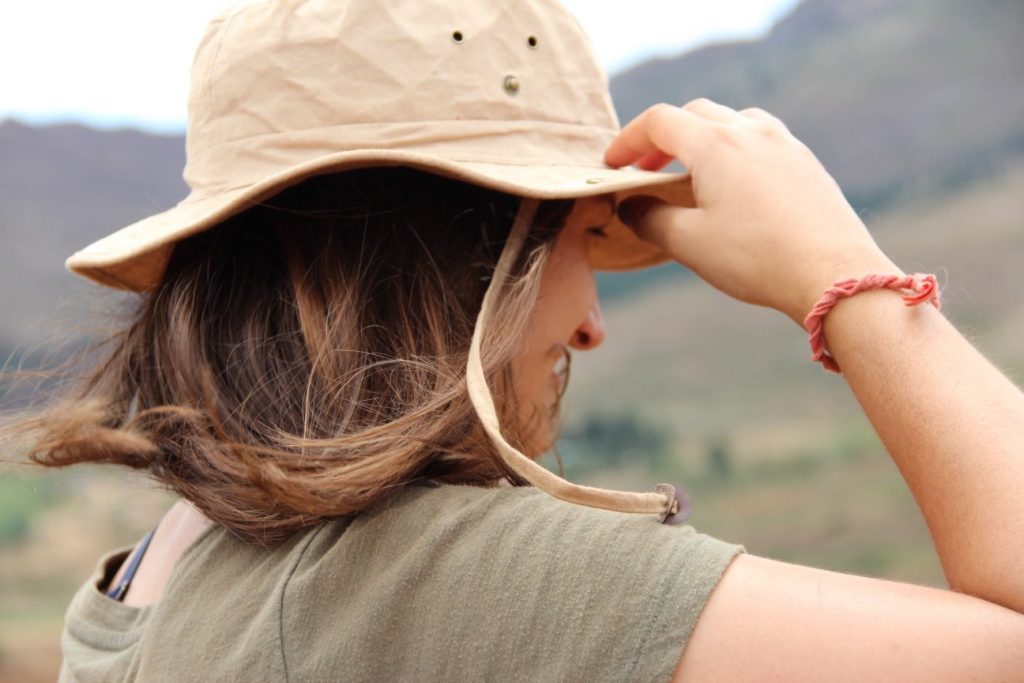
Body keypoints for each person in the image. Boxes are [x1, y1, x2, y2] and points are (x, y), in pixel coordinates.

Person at [4, 0, 1022, 680]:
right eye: (578, 235)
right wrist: (845, 278)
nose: (590, 321)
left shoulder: (148, 573)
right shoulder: (438, 573)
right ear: (467, 259)